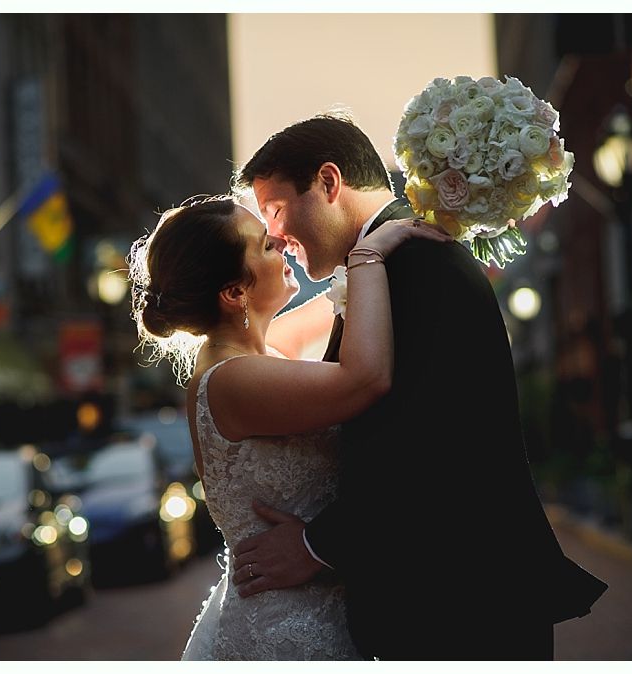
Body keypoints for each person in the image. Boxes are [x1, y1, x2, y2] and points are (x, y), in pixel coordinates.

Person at [228, 111, 608, 660]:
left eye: (276, 209)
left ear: (329, 183)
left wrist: (316, 545)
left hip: (462, 611)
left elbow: (436, 443)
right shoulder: (380, 265)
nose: (276, 235)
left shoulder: (416, 267)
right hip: (440, 608)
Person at [127, 193, 450, 660]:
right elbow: (366, 377)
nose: (280, 240)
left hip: (307, 600)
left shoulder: (255, 354)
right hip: (286, 626)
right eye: (264, 245)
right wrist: (366, 256)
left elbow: (337, 305)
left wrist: (382, 228)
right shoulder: (235, 379)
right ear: (235, 293)